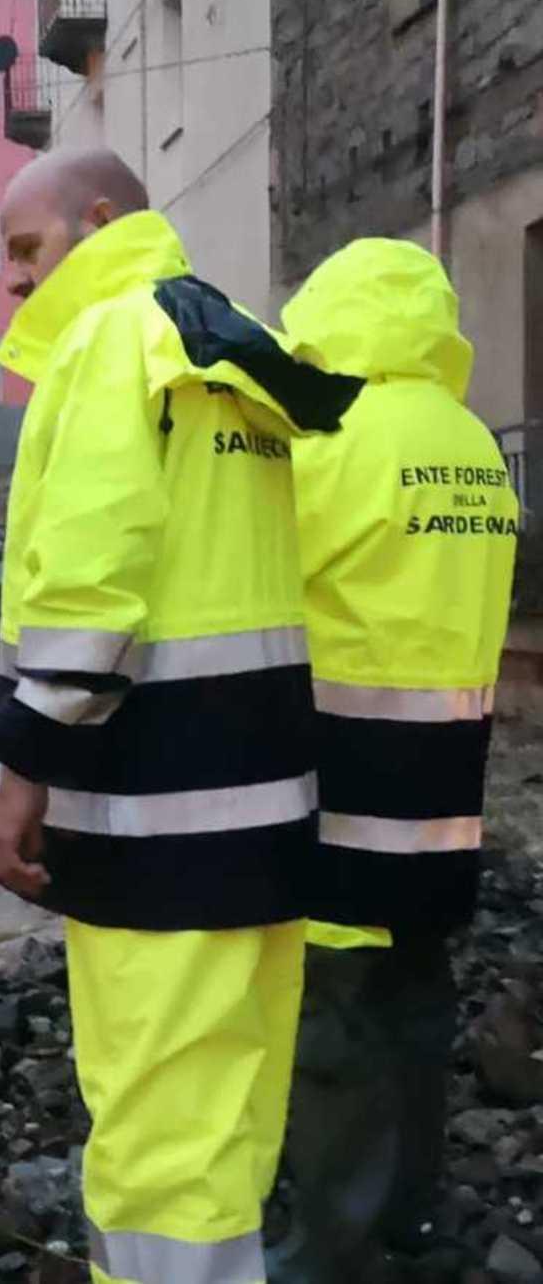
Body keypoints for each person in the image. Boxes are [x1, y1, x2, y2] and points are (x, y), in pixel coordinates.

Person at [0, 148, 356, 1284]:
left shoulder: (108, 340)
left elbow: (89, 588)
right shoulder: (233, 343)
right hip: (264, 813)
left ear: (99, 222)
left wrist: (19, 777)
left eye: (27, 249)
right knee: (226, 1121)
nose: (11, 281)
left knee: (149, 1136)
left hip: (150, 817)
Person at [264, 240, 519, 1283]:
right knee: (418, 995)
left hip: (345, 784)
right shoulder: (471, 441)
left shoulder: (331, 437)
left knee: (335, 1031)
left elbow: (262, 584)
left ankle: (333, 1250)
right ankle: (411, 1210)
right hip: (447, 785)